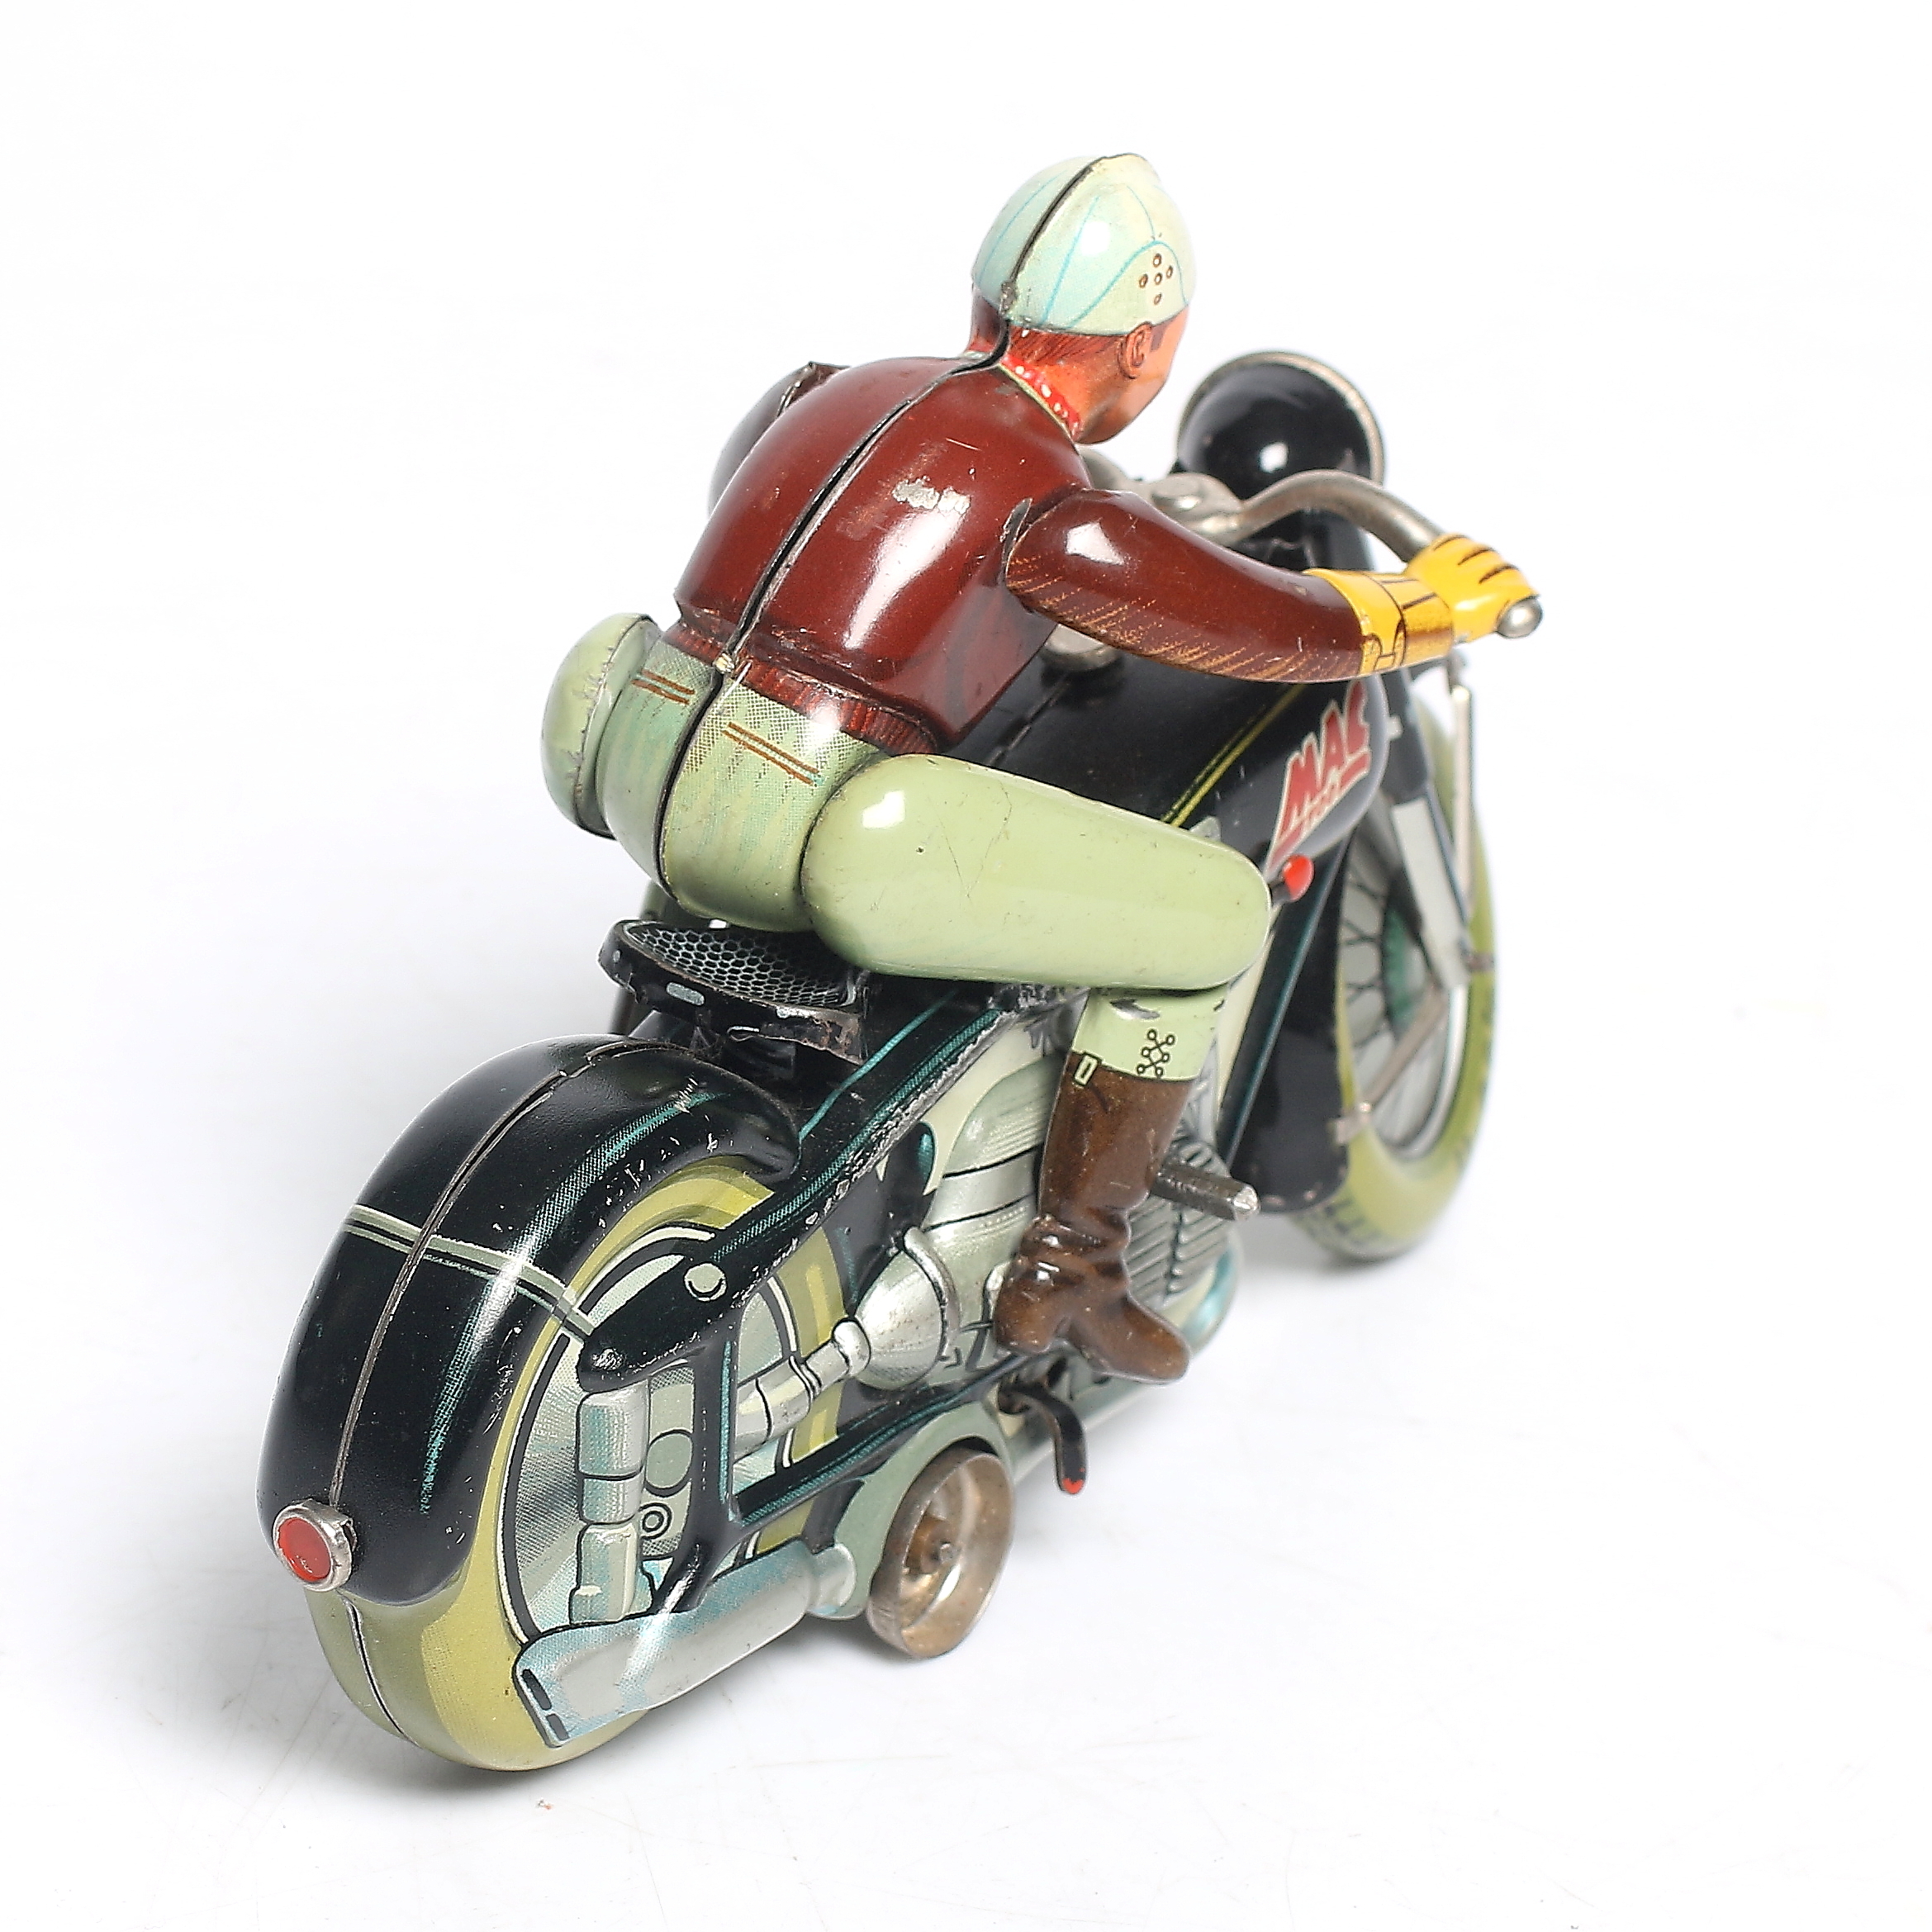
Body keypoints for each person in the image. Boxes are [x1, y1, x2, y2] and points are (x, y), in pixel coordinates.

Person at [574, 154, 1534, 1384]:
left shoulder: (838, 390)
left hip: (642, 757)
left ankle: (661, 1054)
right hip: (820, 830)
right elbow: (1262, 628)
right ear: (1144, 346)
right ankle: (1076, 1263)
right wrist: (1427, 604)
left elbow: (753, 492)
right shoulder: (1047, 502)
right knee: (1213, 915)